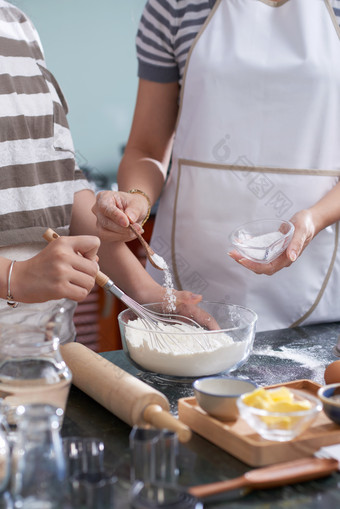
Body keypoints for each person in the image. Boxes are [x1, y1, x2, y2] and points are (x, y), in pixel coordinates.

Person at [92, 0, 340, 332]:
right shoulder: (174, 6)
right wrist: (138, 196)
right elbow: (146, 147)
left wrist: (315, 218)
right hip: (189, 278)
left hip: (317, 280)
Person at [0, 0, 203, 343]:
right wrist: (13, 278)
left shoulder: (16, 24)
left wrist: (148, 293)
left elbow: (60, 183)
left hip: (46, 350)